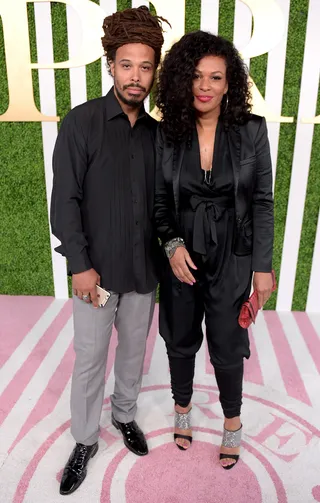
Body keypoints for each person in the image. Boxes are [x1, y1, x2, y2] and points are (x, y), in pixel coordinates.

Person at [50, 6, 169, 495]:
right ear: (111, 66)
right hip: (95, 276)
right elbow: (65, 201)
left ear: (154, 71)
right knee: (90, 358)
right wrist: (80, 266)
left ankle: (124, 416)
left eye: (145, 66)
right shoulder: (81, 123)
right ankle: (84, 440)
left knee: (134, 354)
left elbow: (164, 205)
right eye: (126, 65)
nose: (135, 76)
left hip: (144, 272)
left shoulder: (159, 134)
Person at [154, 30, 274, 469]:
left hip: (234, 253)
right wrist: (171, 245)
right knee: (179, 336)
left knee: (227, 339)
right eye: (198, 76)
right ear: (185, 79)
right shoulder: (167, 133)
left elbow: (262, 200)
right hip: (181, 252)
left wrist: (263, 266)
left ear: (230, 83)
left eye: (216, 78)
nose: (205, 86)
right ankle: (182, 409)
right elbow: (160, 203)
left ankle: (232, 423)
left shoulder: (252, 131)